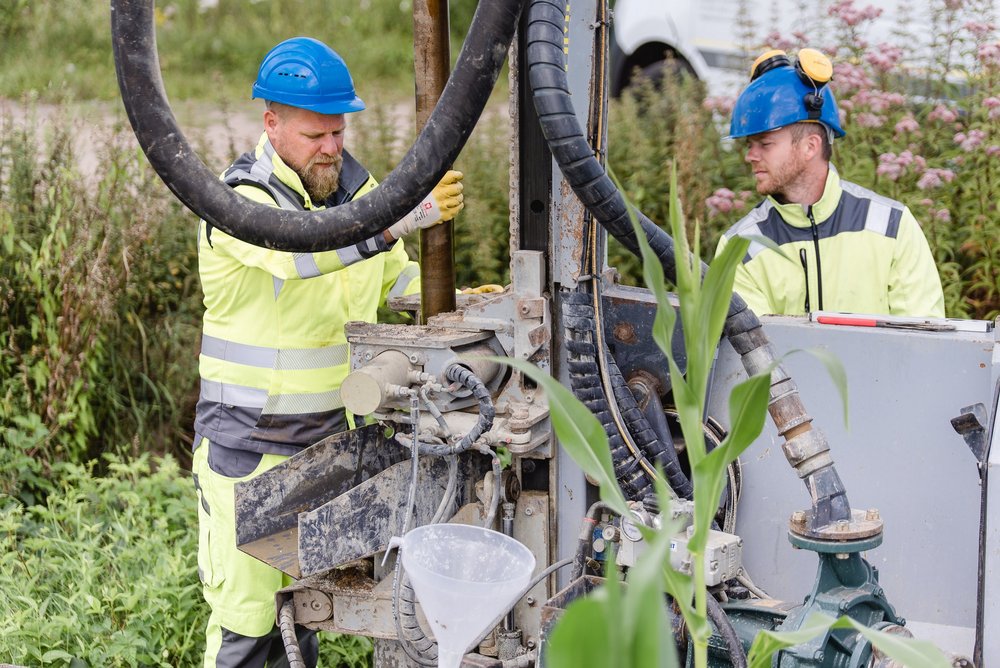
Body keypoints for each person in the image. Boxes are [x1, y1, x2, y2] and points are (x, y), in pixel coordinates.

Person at [191, 37, 464, 667]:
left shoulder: (351, 190)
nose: (331, 147)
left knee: (301, 621)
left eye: (338, 131)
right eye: (316, 134)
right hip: (248, 453)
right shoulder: (238, 202)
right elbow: (302, 254)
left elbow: (391, 276)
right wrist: (396, 219)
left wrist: (452, 297)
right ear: (272, 123)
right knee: (247, 627)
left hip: (323, 449)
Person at [715, 48, 945, 318]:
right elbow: (749, 352)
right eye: (749, 144)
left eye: (765, 143)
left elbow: (922, 338)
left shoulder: (892, 226)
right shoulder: (739, 247)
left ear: (810, 146)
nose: (750, 156)